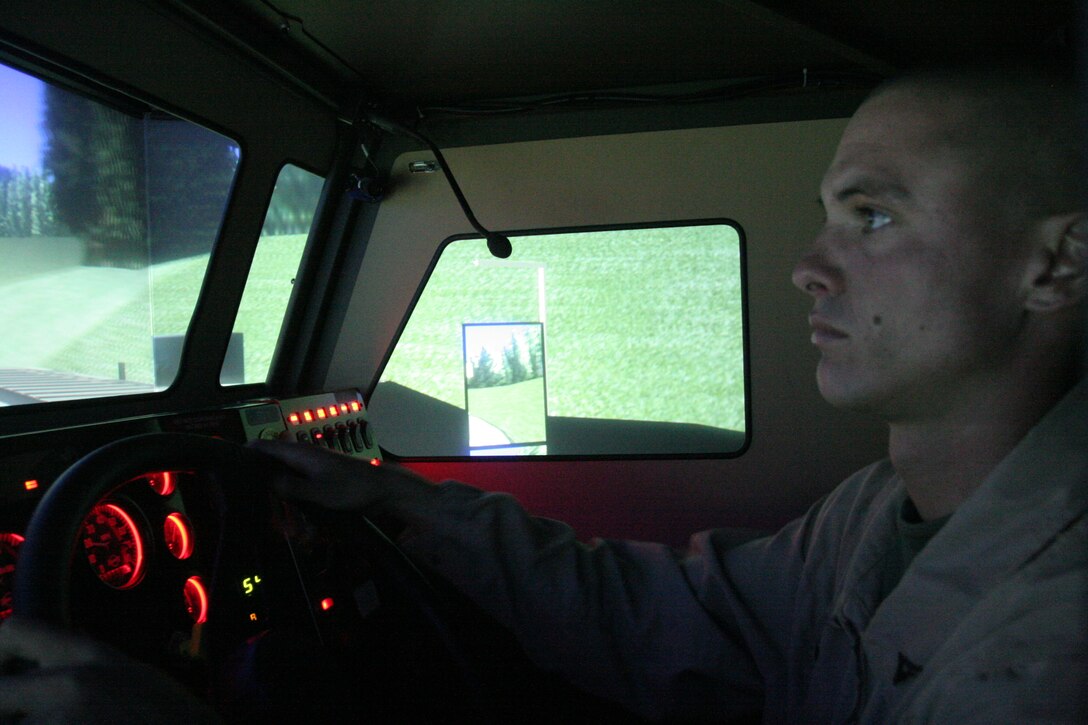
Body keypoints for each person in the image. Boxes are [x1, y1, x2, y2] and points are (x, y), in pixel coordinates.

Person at [3, 62, 1086, 722]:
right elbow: (671, 616)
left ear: (1054, 265)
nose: (808, 263)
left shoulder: (1044, 652)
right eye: (825, 214)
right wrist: (399, 504)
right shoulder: (871, 515)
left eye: (873, 217)